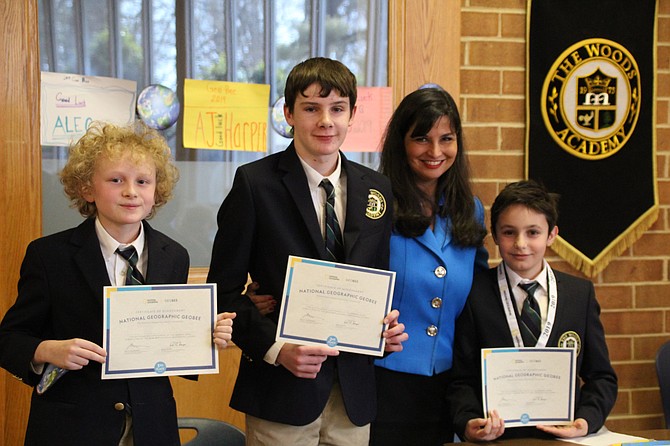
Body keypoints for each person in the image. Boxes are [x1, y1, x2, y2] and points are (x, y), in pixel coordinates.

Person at [207, 57, 407, 446]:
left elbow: (376, 284)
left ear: (353, 114)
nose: (325, 121)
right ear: (288, 114)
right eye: (311, 108)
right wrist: (276, 349)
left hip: (353, 392)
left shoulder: (378, 189)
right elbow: (222, 293)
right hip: (282, 388)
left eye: (337, 109)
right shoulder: (255, 184)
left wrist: (384, 330)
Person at [0, 121, 235, 445]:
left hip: (151, 424)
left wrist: (206, 335)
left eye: (143, 181)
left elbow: (167, 341)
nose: (131, 191)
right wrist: (47, 350)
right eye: (116, 180)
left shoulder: (174, 256)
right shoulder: (49, 256)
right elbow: (10, 339)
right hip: (72, 426)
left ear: (157, 190)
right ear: (87, 188)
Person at [448, 179, 618, 442]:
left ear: (552, 235)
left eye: (533, 232)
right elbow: (462, 379)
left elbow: (602, 377)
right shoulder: (475, 292)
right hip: (497, 438)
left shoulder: (578, 295)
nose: (520, 244)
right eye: (508, 232)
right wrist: (468, 421)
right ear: (494, 234)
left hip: (562, 438)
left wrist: (585, 421)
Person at [368, 87, 489, 446]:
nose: (435, 152)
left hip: (450, 384)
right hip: (384, 380)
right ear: (401, 143)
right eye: (421, 138)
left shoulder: (472, 209)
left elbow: (479, 291)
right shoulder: (375, 205)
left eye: (446, 139)